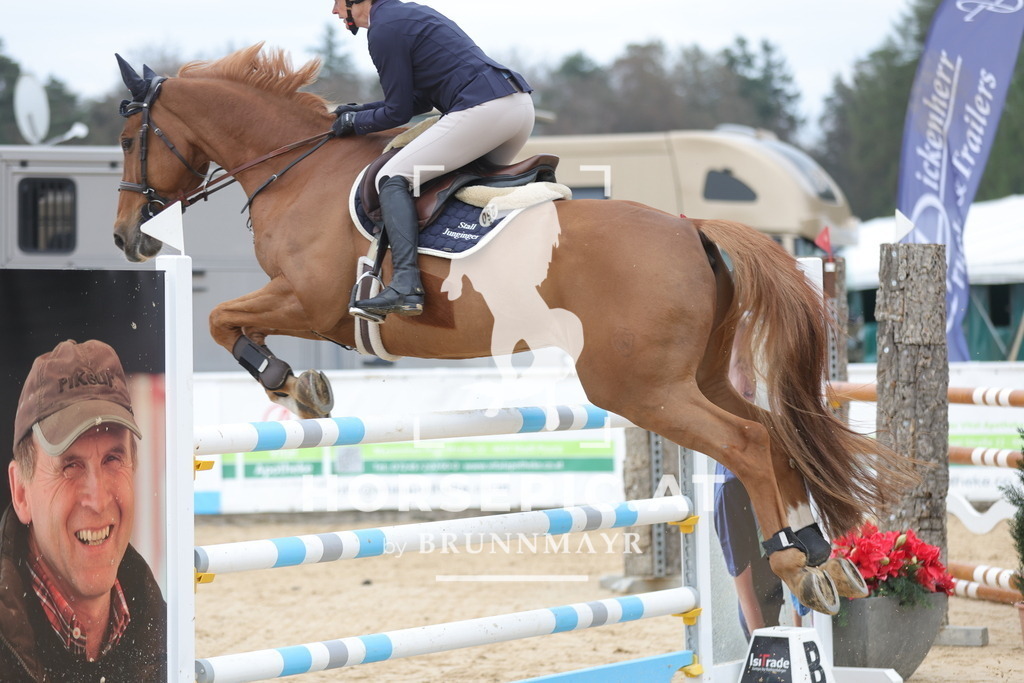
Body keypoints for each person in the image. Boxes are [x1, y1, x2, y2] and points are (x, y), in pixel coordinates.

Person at [331, 0, 536, 319]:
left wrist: (354, 125)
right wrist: (360, 110)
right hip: (517, 108)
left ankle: (405, 286)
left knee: (391, 178)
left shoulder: (383, 29)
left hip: (484, 110)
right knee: (453, 188)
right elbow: (421, 101)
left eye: (335, 1)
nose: (334, 11)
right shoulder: (408, 13)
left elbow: (397, 112)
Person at [0, 339, 166, 681]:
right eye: (70, 466)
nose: (99, 498)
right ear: (20, 493)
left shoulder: (168, 634)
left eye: (113, 459)